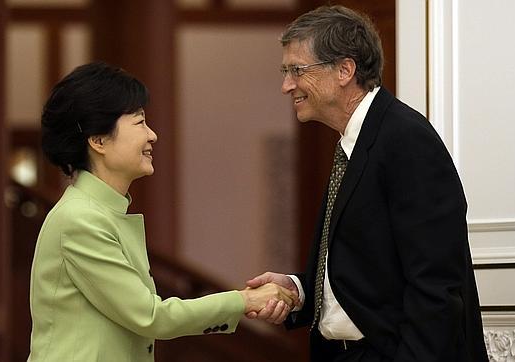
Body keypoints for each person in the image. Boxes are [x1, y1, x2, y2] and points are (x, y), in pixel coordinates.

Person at [245, 5, 488, 362]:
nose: (286, 86)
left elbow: (436, 285)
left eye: (297, 70)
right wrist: (298, 290)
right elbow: (369, 275)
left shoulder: (406, 140)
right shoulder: (352, 142)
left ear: (345, 70)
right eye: (285, 72)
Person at [27, 61, 297, 362]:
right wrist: (243, 300)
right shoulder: (80, 219)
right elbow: (150, 316)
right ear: (99, 140)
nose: (152, 135)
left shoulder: (98, 213)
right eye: (140, 122)